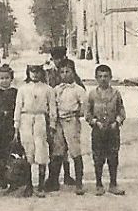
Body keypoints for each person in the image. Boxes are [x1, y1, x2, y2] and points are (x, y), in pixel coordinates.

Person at [12, 63, 56, 198]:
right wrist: (16, 125)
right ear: (28, 72)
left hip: (40, 120)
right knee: (28, 151)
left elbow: (52, 108)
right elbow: (18, 107)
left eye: (37, 71)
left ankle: (41, 185)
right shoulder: (23, 89)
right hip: (26, 119)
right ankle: (29, 185)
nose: (35, 74)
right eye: (32, 71)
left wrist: (52, 125)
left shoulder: (48, 89)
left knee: (41, 150)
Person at [84, 63, 127, 196]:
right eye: (100, 76)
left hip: (113, 130)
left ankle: (113, 184)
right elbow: (87, 113)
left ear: (110, 77)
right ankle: (98, 184)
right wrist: (95, 122)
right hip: (98, 130)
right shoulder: (92, 94)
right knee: (98, 157)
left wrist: (117, 122)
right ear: (96, 78)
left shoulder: (116, 93)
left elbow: (121, 110)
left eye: (106, 76)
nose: (103, 79)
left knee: (113, 156)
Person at [54, 62, 87, 195]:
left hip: (71, 121)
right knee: (58, 150)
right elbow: (52, 104)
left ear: (73, 72)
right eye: (62, 72)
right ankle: (54, 180)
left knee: (74, 150)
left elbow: (84, 105)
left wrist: (78, 113)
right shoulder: (56, 89)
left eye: (68, 72)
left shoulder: (78, 89)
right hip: (58, 121)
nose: (65, 74)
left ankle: (79, 182)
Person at [0, 64, 17, 191]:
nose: (4, 81)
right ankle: (2, 180)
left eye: (7, 78)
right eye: (2, 78)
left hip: (10, 127)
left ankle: (13, 180)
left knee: (10, 155)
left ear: (11, 79)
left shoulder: (15, 93)